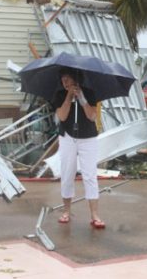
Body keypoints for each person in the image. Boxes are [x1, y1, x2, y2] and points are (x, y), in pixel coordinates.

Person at [51, 67, 105, 229]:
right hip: (68, 136)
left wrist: (81, 98)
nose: (64, 82)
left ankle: (94, 214)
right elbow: (61, 116)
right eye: (63, 79)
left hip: (88, 138)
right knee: (67, 173)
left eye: (68, 78)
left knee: (89, 175)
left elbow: (92, 116)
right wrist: (68, 97)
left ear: (76, 79)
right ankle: (66, 211)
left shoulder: (89, 92)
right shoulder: (59, 94)